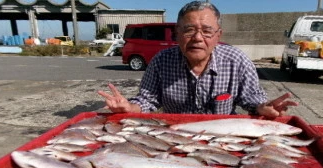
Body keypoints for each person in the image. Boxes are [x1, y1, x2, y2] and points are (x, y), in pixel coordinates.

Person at [98, 1, 298, 118]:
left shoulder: (237, 61)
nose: (197, 38)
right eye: (189, 30)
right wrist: (128, 108)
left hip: (223, 137)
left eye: (207, 31)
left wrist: (263, 107)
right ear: (177, 34)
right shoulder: (161, 61)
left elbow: (252, 99)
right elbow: (147, 100)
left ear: (218, 36)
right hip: (174, 137)